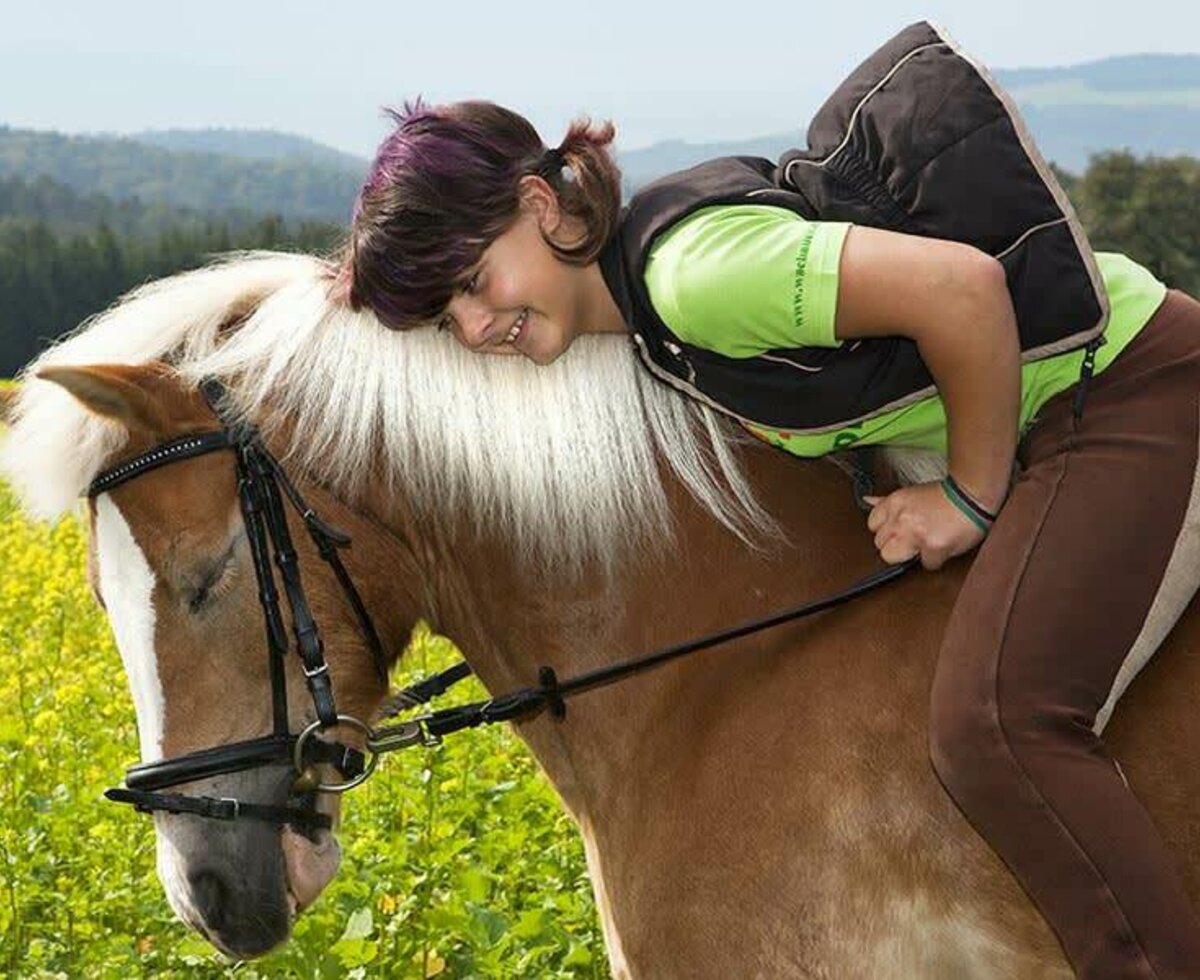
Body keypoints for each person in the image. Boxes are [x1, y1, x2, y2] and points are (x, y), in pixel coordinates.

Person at [339, 35, 1200, 980]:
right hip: (1069, 402)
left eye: (470, 281)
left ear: (542, 204)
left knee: (995, 723)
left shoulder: (690, 281)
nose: (472, 327)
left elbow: (962, 289)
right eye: (443, 317)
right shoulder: (633, 302)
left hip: (1130, 387)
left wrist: (968, 493)